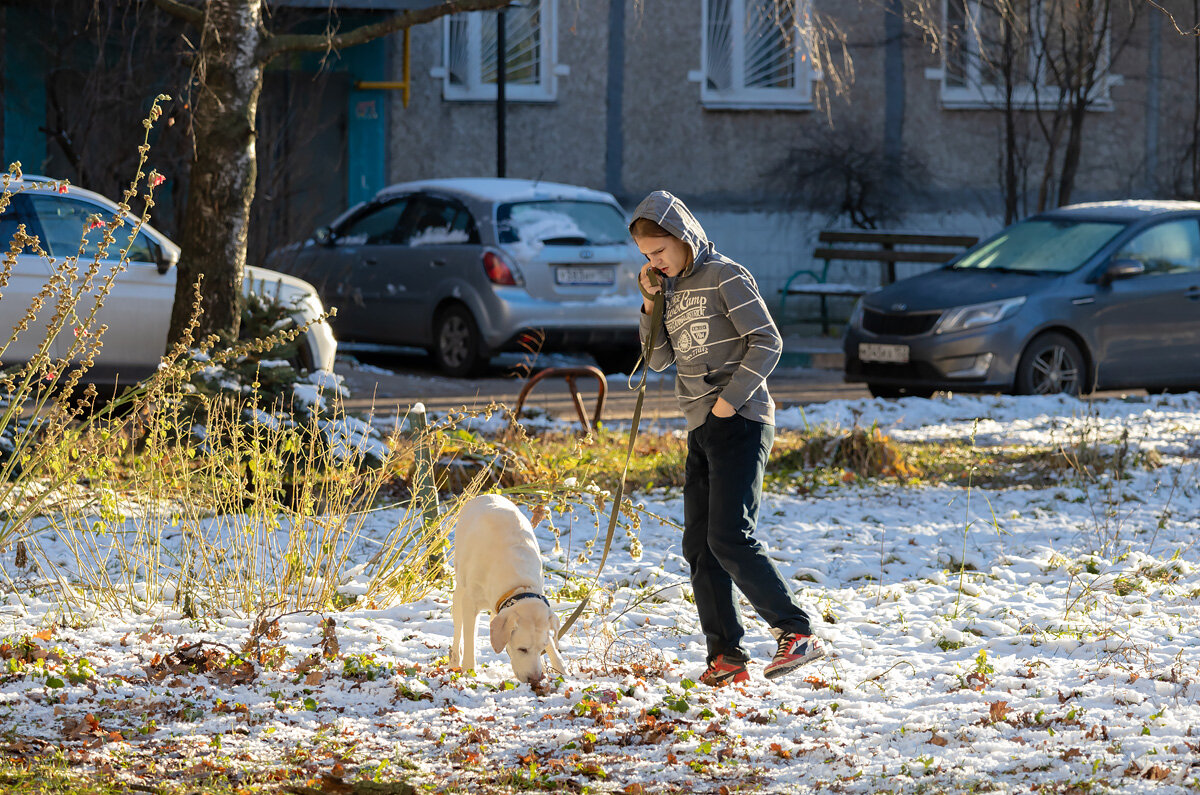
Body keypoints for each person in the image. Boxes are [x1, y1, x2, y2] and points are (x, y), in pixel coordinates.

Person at [629, 190, 826, 686]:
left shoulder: (726, 276)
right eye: (647, 258)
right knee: (699, 543)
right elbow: (656, 359)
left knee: (728, 535)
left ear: (684, 238)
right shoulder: (668, 290)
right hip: (701, 425)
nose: (655, 263)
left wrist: (725, 403)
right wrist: (650, 301)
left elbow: (768, 341)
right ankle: (727, 657)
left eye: (659, 253)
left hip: (740, 417)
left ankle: (796, 631)